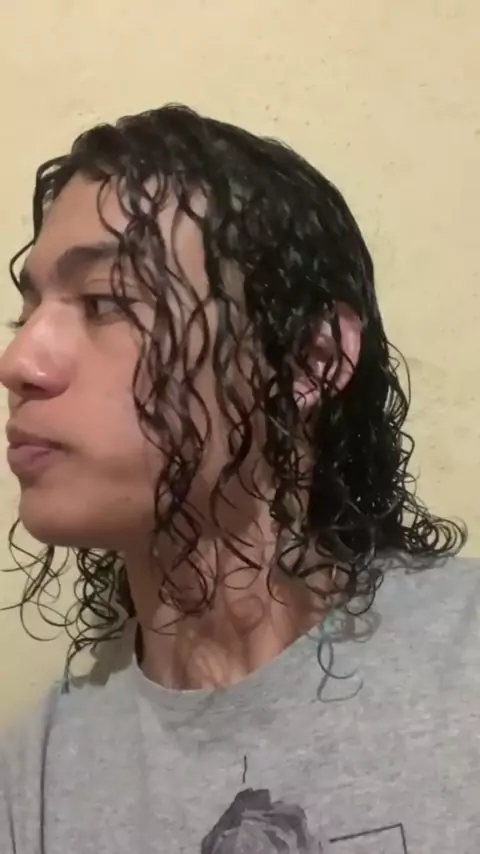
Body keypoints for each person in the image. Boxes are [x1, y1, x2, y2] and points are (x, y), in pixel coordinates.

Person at [0, 103, 475, 853]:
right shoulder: (35, 784)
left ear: (311, 360)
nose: (20, 361)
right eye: (25, 313)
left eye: (104, 301)